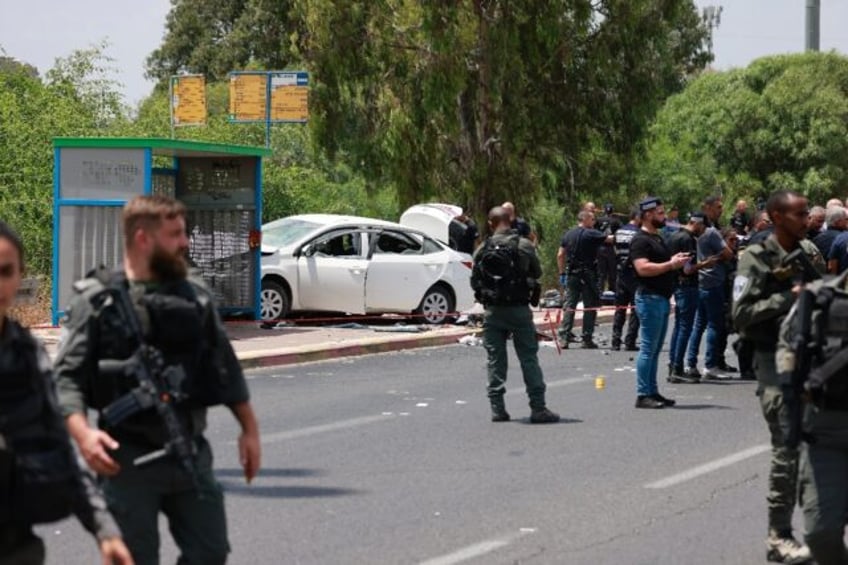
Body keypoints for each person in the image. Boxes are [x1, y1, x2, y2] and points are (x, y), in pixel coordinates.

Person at [54, 195, 262, 565]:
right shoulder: (98, 300)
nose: (185, 243)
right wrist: (83, 435)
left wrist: (249, 429)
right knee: (134, 558)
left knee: (211, 553)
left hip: (189, 451)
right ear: (142, 238)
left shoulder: (194, 295)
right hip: (127, 461)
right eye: (175, 234)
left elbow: (223, 363)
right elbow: (65, 378)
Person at [0, 221, 133, 565]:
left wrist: (105, 531)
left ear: (20, 277)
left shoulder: (27, 354)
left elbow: (58, 444)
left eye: (5, 271)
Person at [732, 189, 824, 564]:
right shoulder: (756, 257)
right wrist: (789, 298)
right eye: (799, 215)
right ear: (776, 216)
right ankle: (778, 537)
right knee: (787, 451)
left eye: (807, 214)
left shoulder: (802, 255)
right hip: (773, 364)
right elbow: (740, 314)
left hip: (809, 363)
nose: (806, 221)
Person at [777, 271, 848, 564]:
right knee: (821, 533)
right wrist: (791, 379)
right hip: (826, 431)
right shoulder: (820, 296)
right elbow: (787, 343)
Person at [470, 206, 559, 424]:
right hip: (519, 310)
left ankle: (497, 409)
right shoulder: (524, 245)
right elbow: (537, 272)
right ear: (510, 220)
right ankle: (538, 408)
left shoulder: (483, 248)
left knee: (495, 360)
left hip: (493, 311)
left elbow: (475, 281)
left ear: (491, 224)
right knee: (529, 358)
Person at [629, 197, 690, 409]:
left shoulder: (659, 237)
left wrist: (676, 260)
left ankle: (653, 391)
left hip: (662, 298)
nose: (665, 217)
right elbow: (642, 268)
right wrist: (670, 265)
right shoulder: (640, 240)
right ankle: (643, 393)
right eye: (660, 213)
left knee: (655, 350)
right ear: (648, 215)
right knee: (648, 348)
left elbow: (662, 263)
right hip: (649, 298)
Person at [684, 195, 737, 381]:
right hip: (713, 283)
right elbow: (728, 254)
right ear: (707, 208)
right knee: (715, 325)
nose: (721, 210)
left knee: (699, 325)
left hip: (701, 283)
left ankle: (690, 363)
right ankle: (710, 365)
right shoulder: (712, 233)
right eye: (718, 207)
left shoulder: (697, 234)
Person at [666, 212, 716, 383]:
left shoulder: (673, 236)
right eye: (702, 228)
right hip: (687, 286)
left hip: (676, 285)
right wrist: (705, 264)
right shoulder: (688, 240)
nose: (703, 232)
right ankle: (677, 368)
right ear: (696, 223)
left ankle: (673, 365)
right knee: (685, 328)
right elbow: (687, 269)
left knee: (679, 327)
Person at [556, 209, 611, 349]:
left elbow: (560, 255)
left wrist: (562, 273)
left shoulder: (568, 234)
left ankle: (564, 338)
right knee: (590, 306)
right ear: (585, 219)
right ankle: (586, 338)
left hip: (572, 274)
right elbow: (610, 239)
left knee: (570, 306)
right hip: (588, 275)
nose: (594, 222)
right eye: (592, 219)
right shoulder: (591, 233)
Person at [610, 208, 641, 351]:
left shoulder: (619, 232)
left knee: (620, 309)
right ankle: (630, 341)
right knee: (635, 309)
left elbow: (615, 251)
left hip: (620, 274)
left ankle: (615, 341)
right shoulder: (639, 234)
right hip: (635, 275)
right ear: (638, 217)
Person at [595, 203, 621, 293]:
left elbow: (593, 232)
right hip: (611, 248)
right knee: (612, 272)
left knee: (601, 273)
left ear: (604, 210)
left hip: (600, 248)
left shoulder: (598, 220)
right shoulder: (616, 221)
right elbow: (620, 232)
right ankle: (613, 293)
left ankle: (599, 293)